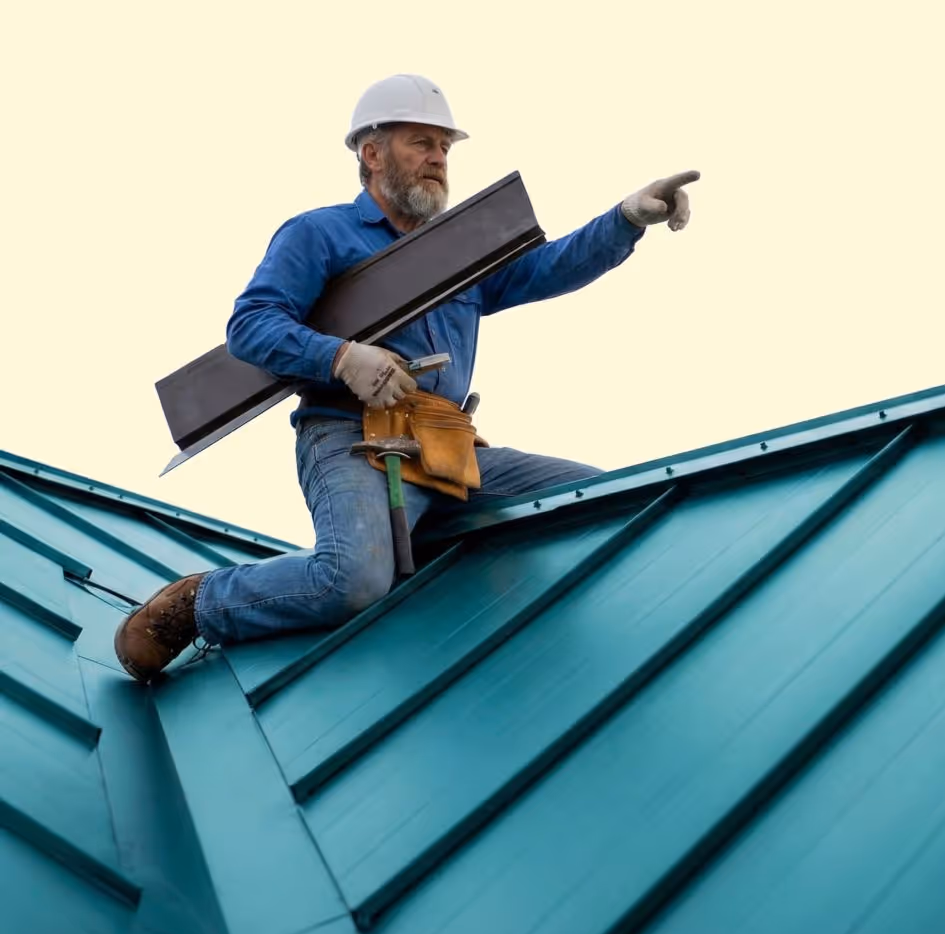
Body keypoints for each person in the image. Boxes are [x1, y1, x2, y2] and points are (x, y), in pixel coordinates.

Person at [114, 73, 699, 683]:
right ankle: (197, 604)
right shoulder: (320, 233)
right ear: (371, 154)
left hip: (446, 447)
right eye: (421, 143)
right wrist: (342, 359)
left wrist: (628, 218)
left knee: (606, 500)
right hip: (351, 440)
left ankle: (425, 545)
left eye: (444, 148)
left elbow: (549, 266)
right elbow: (251, 326)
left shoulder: (458, 252)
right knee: (353, 580)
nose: (438, 160)